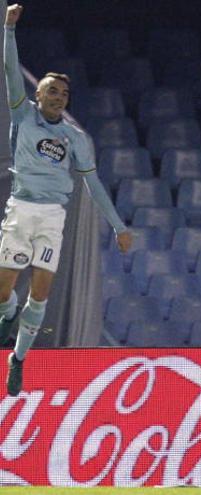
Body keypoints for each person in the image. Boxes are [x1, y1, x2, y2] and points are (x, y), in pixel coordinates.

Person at [0, 4, 131, 396]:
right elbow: (10, 69)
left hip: (52, 217)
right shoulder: (23, 117)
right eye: (52, 90)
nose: (59, 96)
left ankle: (18, 360)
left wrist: (119, 226)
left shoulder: (74, 138)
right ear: (37, 94)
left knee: (39, 293)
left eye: (65, 93)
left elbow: (92, 185)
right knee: (4, 292)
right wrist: (8, 29)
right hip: (21, 210)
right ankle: (7, 317)